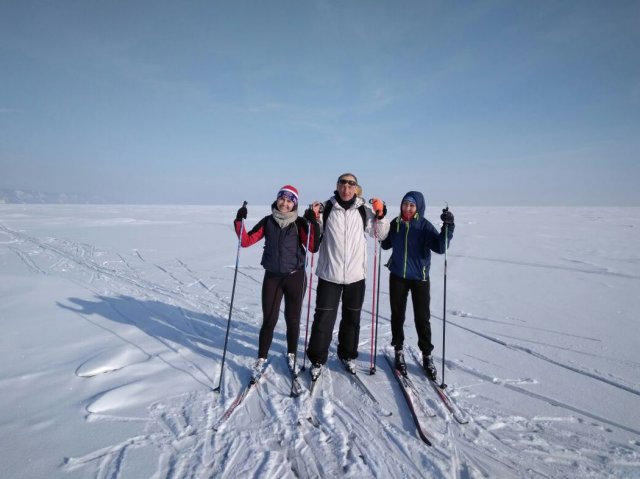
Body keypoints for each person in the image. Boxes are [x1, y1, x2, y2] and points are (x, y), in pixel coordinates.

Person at [304, 173, 390, 379]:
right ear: (337, 186)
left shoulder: (363, 210)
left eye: (351, 184)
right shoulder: (327, 208)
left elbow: (380, 234)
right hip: (329, 275)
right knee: (323, 319)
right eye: (343, 183)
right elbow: (313, 240)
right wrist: (312, 219)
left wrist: (380, 215)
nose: (346, 188)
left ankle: (347, 355)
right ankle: (317, 359)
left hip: (355, 276)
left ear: (356, 188)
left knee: (352, 318)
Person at [234, 185, 320, 378]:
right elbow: (246, 240)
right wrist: (239, 220)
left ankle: (291, 354)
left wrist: (313, 223)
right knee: (269, 320)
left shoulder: (300, 223)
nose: (285, 203)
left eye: (290, 200)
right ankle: (261, 358)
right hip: (272, 277)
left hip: (295, 277)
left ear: (294, 203)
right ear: (277, 199)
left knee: (293, 319)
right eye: (283, 198)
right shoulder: (268, 222)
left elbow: (313, 246)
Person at [380, 191, 454, 381]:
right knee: (397, 315)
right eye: (405, 204)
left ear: (418, 207)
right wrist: (381, 224)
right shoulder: (396, 223)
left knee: (422, 318)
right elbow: (385, 244)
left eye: (412, 205)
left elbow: (440, 247)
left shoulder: (424, 226)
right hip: (397, 276)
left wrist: (448, 227)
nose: (408, 208)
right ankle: (398, 350)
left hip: (420, 278)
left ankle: (427, 355)